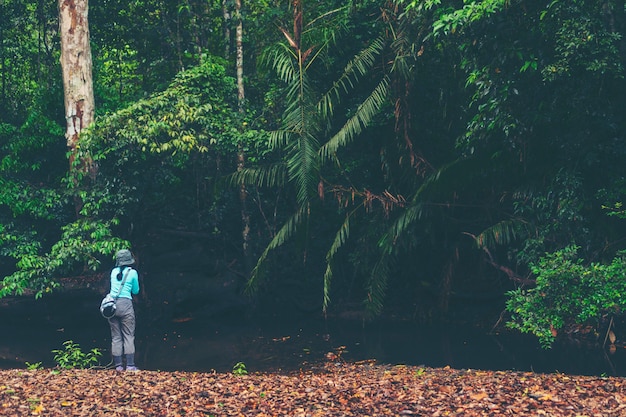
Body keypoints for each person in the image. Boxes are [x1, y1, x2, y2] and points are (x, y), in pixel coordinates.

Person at [108, 249, 140, 371]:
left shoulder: (113, 272)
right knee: (128, 335)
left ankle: (118, 366)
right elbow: (135, 291)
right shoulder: (133, 273)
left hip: (112, 306)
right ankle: (130, 366)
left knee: (116, 337)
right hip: (125, 305)